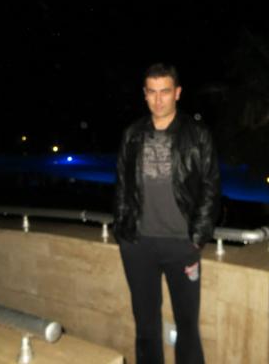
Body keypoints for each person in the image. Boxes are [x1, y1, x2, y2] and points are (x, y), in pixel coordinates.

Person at [113, 63, 221, 364]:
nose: (158, 99)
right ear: (144, 94)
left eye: (165, 91)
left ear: (177, 93)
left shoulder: (197, 135)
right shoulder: (132, 134)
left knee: (187, 326)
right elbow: (122, 186)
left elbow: (211, 187)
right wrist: (123, 232)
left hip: (181, 245)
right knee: (145, 326)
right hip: (138, 245)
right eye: (152, 92)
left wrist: (197, 237)